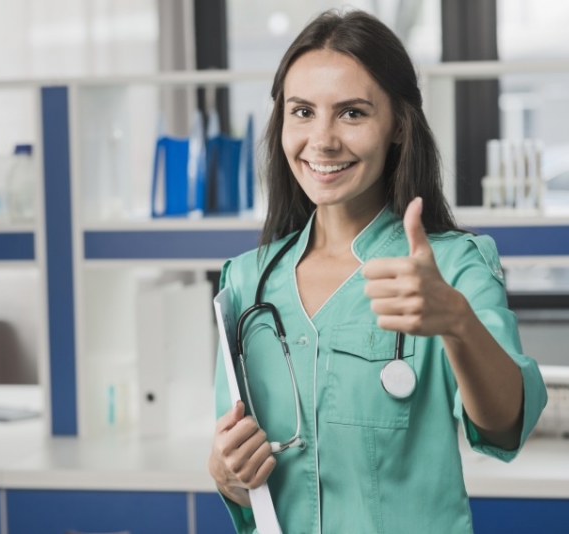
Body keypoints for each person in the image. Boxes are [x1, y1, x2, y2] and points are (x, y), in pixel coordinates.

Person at [207, 9, 547, 534]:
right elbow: (237, 459)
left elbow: (505, 427)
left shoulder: (453, 266)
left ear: (398, 126)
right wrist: (227, 475)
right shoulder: (246, 282)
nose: (321, 140)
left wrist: (456, 321)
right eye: (302, 111)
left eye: (352, 113)